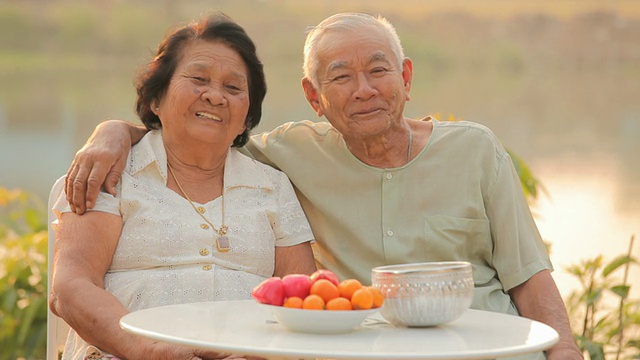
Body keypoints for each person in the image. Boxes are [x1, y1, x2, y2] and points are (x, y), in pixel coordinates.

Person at [64, 13, 583, 360]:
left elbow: (530, 280)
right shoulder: (286, 158)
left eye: (378, 70)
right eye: (340, 77)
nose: (364, 90)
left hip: (487, 350)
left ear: (405, 76)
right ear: (314, 98)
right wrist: (113, 133)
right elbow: (196, 134)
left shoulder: (475, 151)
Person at [50, 13, 316, 360]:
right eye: (199, 78)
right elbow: (71, 287)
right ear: (156, 99)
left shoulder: (273, 186)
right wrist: (152, 351)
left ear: (246, 118)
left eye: (233, 88)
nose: (215, 96)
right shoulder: (113, 171)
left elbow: (304, 299)